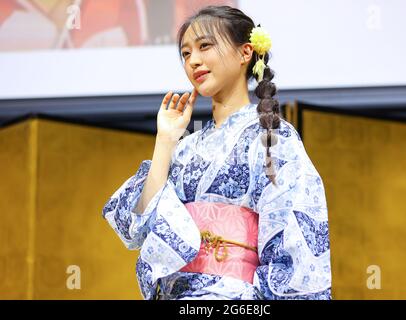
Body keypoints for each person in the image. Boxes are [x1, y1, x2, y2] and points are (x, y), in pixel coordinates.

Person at [102, 5, 332, 300]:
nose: (193, 61)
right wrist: (165, 140)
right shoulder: (185, 147)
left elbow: (296, 242)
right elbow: (141, 226)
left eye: (204, 46)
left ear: (244, 53)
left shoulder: (273, 137)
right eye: (185, 54)